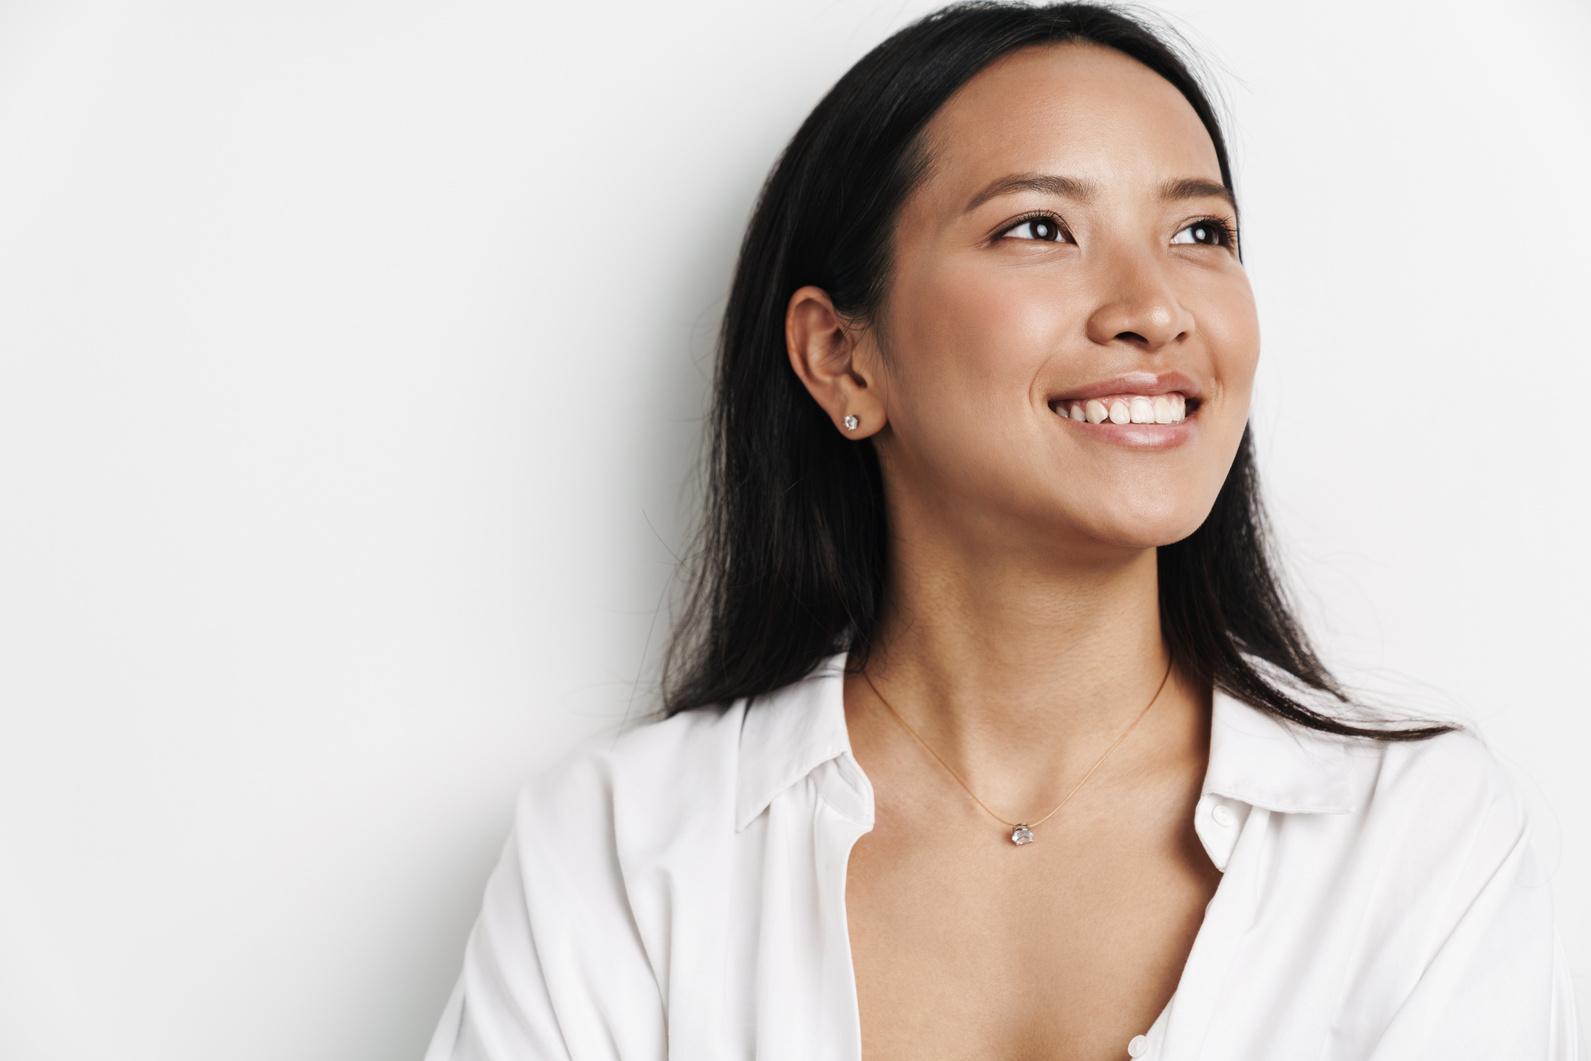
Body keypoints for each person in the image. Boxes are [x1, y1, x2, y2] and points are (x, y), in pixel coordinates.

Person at [424, 4, 1580, 1058]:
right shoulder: (622, 849)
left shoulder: (1416, 841)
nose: (1153, 309)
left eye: (1200, 233)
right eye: (1039, 227)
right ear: (841, 355)